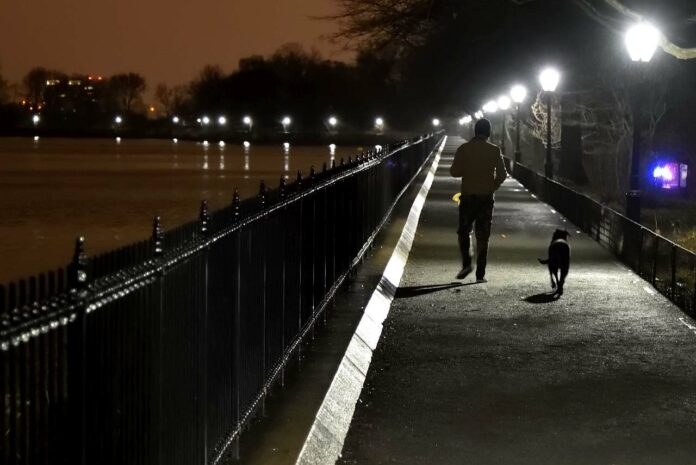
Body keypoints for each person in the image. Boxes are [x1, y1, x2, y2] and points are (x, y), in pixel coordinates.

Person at [449, 118, 507, 281]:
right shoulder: (494, 150)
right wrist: (492, 186)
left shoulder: (464, 149)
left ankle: (467, 263)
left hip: (467, 196)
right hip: (486, 198)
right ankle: (480, 272)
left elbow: (454, 172)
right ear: (488, 132)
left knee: (464, 231)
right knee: (483, 234)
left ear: (475, 131)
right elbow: (502, 175)